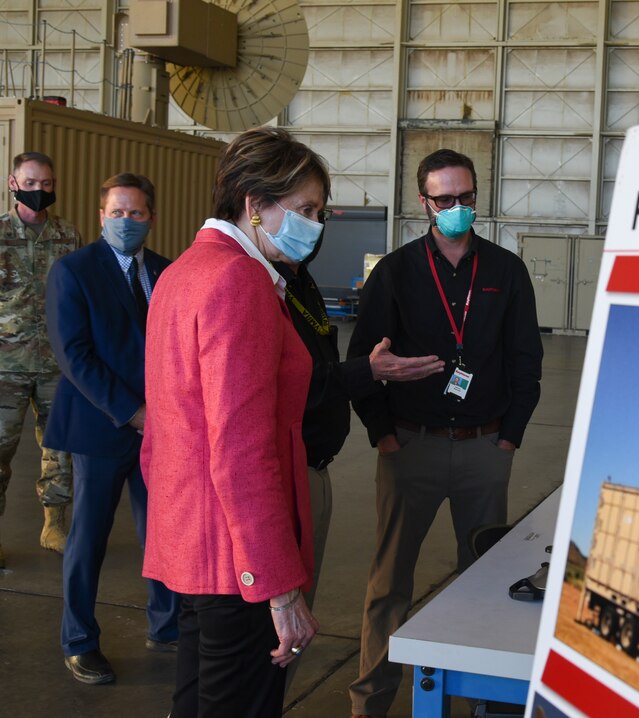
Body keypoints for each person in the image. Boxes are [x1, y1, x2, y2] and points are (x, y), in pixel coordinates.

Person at [346, 148, 544, 718]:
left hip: (485, 448)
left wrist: (509, 437)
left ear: (476, 197)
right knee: (389, 585)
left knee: (483, 584)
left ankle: (484, 703)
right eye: (444, 200)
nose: (456, 208)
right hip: (411, 447)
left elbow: (525, 360)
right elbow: (365, 360)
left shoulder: (506, 272)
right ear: (424, 202)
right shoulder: (396, 272)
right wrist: (383, 435)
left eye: (465, 198)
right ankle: (370, 703)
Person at [142, 127, 323, 717]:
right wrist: (278, 584)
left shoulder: (184, 270)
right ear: (254, 204)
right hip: (236, 557)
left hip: (194, 540)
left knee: (197, 700)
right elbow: (242, 447)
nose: (314, 226)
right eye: (304, 210)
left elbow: (169, 424)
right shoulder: (238, 280)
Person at [272, 233, 443, 691]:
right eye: (301, 210)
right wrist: (380, 423)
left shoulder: (299, 280)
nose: (312, 225)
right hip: (283, 470)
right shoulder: (258, 284)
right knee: (275, 623)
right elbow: (289, 383)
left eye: (317, 213)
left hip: (316, 464)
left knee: (297, 611)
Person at [44, 172, 179, 684]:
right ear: (101, 216)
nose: (127, 221)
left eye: (136, 213)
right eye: (117, 213)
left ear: (151, 218)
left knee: (162, 533)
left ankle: (167, 626)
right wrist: (132, 411)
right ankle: (79, 640)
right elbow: (73, 354)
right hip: (102, 427)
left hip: (162, 430)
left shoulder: (167, 273)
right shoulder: (73, 271)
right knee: (88, 538)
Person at [0, 152, 78, 566]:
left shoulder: (68, 236)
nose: (39, 191)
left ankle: (53, 525)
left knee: (59, 450)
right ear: (13, 184)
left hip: (55, 365)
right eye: (31, 183)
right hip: (5, 368)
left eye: (46, 184)